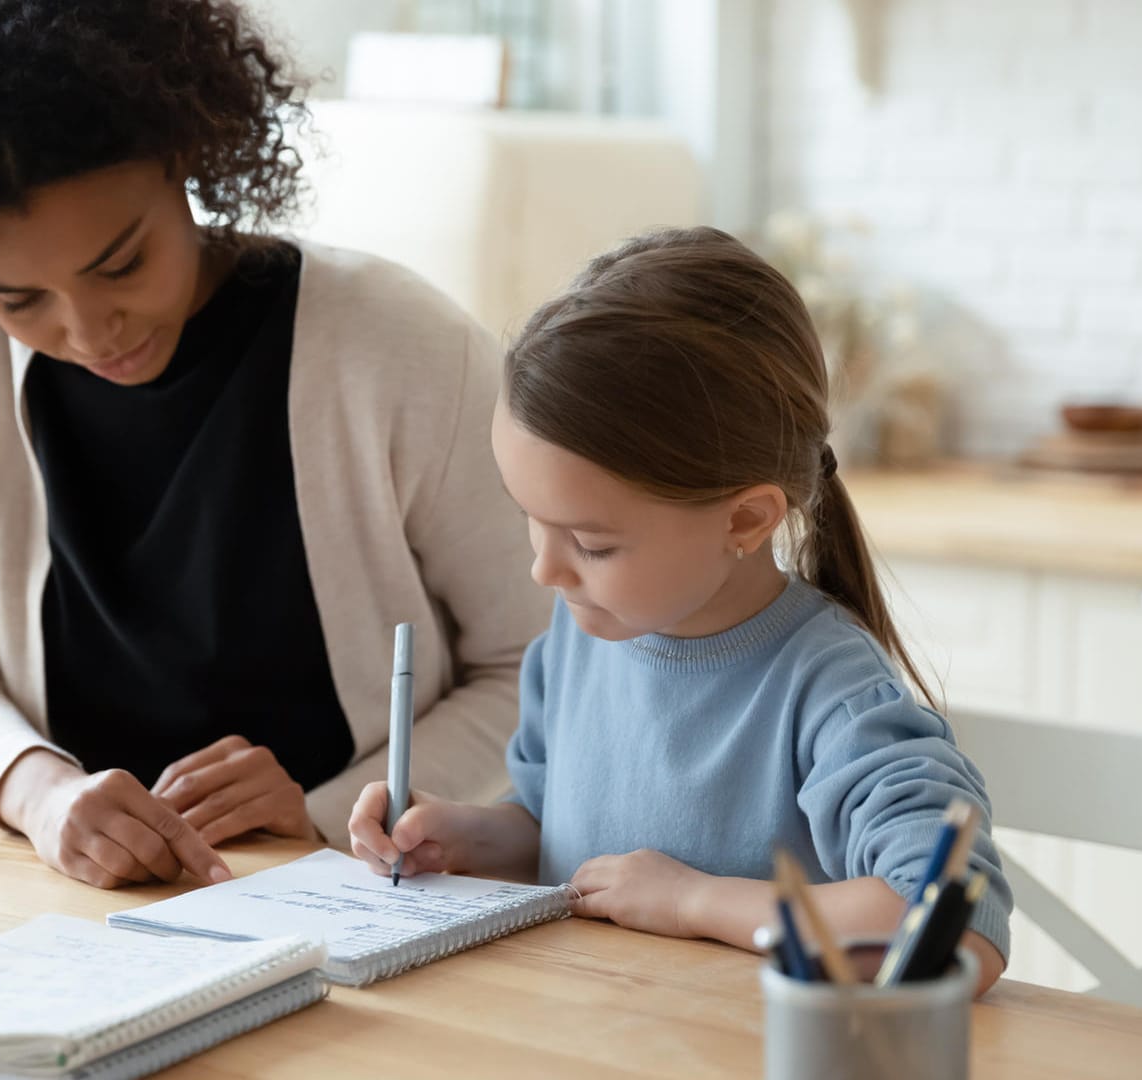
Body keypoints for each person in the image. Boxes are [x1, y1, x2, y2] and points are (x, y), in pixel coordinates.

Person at [0, 0, 543, 890]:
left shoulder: (401, 346)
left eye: (121, 265)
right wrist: (43, 798)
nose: (89, 329)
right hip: (78, 896)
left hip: (362, 889)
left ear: (186, 157)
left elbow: (536, 668)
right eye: (20, 300)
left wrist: (330, 814)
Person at [347, 227, 1012, 993]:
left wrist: (695, 899)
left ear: (744, 521)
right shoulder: (582, 632)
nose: (544, 568)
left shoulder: (832, 691)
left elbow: (957, 926)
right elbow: (564, 840)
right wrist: (464, 837)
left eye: (592, 544)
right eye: (530, 519)